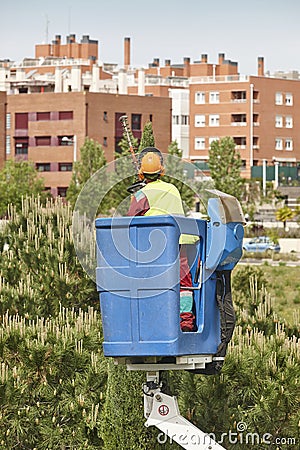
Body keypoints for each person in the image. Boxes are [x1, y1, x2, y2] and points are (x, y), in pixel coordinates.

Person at [127, 147, 197, 332]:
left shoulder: (142, 194)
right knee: (184, 283)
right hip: (180, 243)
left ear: (142, 174)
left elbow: (131, 218)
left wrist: (139, 193)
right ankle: (186, 321)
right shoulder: (172, 188)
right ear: (161, 171)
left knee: (152, 282)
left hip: (155, 248)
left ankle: (155, 320)